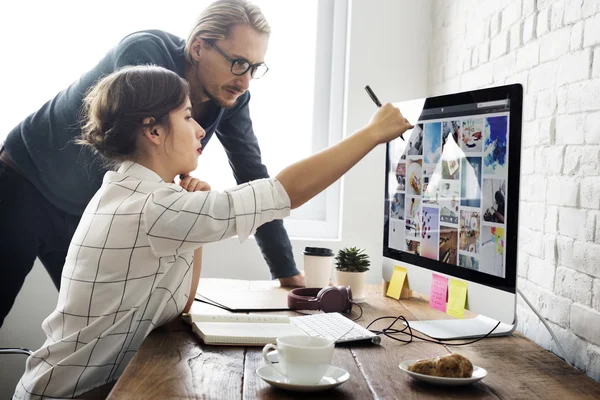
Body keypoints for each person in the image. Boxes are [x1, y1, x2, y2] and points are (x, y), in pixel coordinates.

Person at [13, 65, 412, 399]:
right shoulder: (153, 206)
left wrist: (193, 230)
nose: (200, 130)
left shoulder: (130, 192)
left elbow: (179, 304)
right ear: (153, 131)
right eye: (187, 117)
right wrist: (372, 133)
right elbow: (283, 193)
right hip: (71, 393)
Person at [0, 0, 304, 329]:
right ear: (199, 47)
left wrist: (288, 274)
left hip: (81, 210)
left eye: (255, 68)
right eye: (238, 63)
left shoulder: (232, 97)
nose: (245, 81)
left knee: (97, 330)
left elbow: (252, 172)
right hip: (24, 180)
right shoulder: (145, 54)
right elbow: (133, 157)